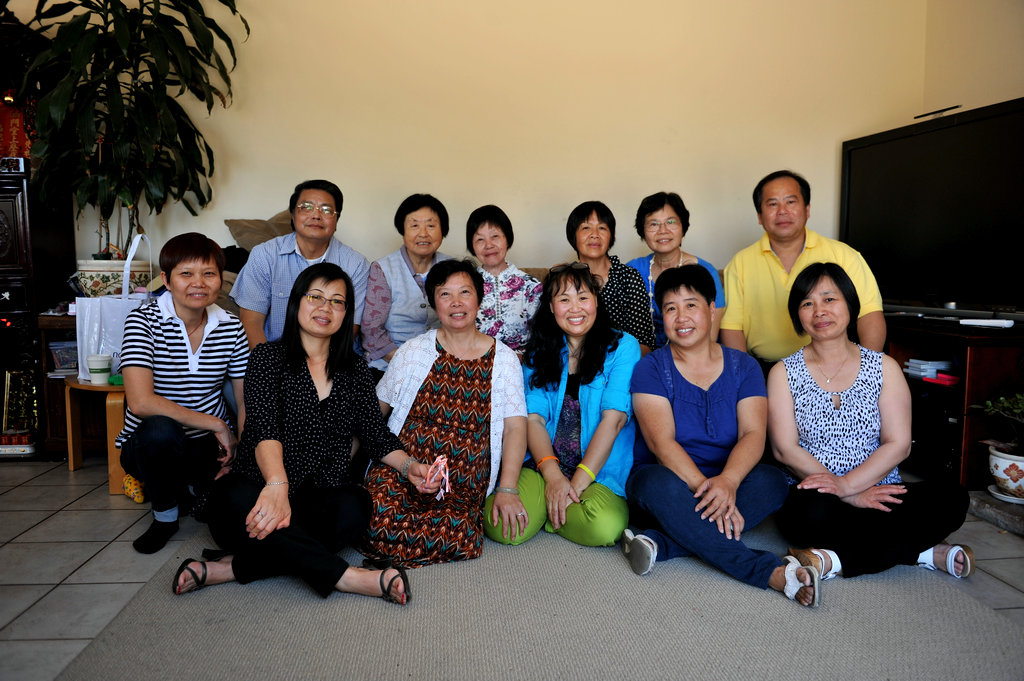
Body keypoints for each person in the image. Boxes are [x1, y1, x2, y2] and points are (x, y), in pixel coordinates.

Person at [173, 264, 414, 602]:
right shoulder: (267, 358)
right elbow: (263, 427)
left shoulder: (355, 369)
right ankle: (348, 577)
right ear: (297, 302)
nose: (325, 307)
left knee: (355, 505)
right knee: (231, 496)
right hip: (260, 492)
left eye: (337, 301)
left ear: (346, 313)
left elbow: (375, 434)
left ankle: (232, 568)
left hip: (316, 497)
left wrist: (411, 467)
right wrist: (276, 486)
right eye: (315, 297)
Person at [624, 265, 817, 606]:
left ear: (712, 309)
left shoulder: (744, 367)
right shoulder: (650, 368)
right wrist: (709, 490)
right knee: (656, 484)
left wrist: (728, 481)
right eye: (670, 308)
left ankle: (663, 543)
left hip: (731, 478)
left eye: (691, 305)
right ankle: (764, 570)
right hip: (669, 481)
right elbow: (661, 443)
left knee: (773, 482)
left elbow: (753, 433)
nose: (681, 317)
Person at [768, 262, 972, 583]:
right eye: (807, 303)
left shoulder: (884, 367)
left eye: (829, 299)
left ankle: (833, 560)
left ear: (850, 305)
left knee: (953, 499)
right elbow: (784, 449)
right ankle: (919, 552)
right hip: (816, 494)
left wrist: (852, 485)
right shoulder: (783, 372)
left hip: (880, 488)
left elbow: (899, 444)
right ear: (798, 315)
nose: (819, 311)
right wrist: (845, 494)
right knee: (808, 515)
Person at [364, 259, 529, 566]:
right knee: (371, 512)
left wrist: (507, 488)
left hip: (463, 474)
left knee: (457, 533)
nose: (456, 302)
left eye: (465, 292)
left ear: (478, 299)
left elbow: (515, 428)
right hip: (406, 464)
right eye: (445, 294)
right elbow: (374, 412)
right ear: (433, 302)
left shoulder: (505, 359)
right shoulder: (413, 351)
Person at [117, 233, 249, 554]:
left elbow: (245, 399)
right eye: (186, 273)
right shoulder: (143, 322)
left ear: (221, 279)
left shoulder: (231, 326)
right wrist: (216, 424)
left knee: (227, 511)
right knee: (160, 429)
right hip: (150, 445)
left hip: (208, 448)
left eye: (209, 273)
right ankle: (165, 518)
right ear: (166, 280)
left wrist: (242, 452)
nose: (198, 283)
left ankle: (191, 490)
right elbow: (141, 402)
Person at [513, 263, 639, 547]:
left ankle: (549, 512)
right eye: (564, 299)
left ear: (596, 301)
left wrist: (575, 485)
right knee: (504, 527)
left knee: (604, 528)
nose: (575, 308)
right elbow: (533, 419)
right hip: (544, 465)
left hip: (597, 472)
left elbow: (614, 420)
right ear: (551, 307)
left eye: (583, 297)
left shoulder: (623, 347)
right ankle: (557, 509)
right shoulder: (540, 349)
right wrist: (553, 478)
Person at [720, 170, 885, 368]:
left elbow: (869, 314)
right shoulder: (740, 263)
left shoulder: (844, 255)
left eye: (790, 202)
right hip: (764, 368)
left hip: (837, 365)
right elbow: (732, 328)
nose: (782, 211)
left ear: (807, 209)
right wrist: (743, 376)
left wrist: (866, 370)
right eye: (772, 204)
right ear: (760, 216)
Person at [230, 179, 370, 347]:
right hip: (273, 355)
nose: (316, 215)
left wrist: (322, 363)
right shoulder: (265, 255)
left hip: (331, 357)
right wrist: (266, 361)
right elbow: (252, 322)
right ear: (293, 215)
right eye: (306, 207)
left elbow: (350, 328)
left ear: (336, 220)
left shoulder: (356, 265)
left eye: (326, 210)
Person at [361, 194, 454, 376]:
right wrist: (406, 363)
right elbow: (372, 330)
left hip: (443, 365)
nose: (423, 233)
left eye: (431, 225)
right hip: (390, 365)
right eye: (414, 225)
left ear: (443, 230)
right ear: (402, 230)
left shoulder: (453, 268)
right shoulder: (383, 268)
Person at [626, 192, 726, 347]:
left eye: (671, 222)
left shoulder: (705, 272)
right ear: (643, 231)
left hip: (695, 355)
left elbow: (710, 338)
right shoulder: (632, 271)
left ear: (683, 227)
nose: (663, 230)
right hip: (644, 355)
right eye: (653, 224)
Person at [566, 200, 655, 353]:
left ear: (611, 236)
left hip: (622, 362)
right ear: (573, 235)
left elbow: (644, 343)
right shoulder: (564, 279)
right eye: (586, 228)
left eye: (602, 228)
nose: (595, 235)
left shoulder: (628, 277)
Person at [466, 204, 543, 354]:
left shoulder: (531, 286)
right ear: (472, 245)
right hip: (475, 363)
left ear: (507, 238)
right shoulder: (465, 286)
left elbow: (542, 337)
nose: (488, 245)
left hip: (522, 363)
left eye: (495, 236)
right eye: (480, 239)